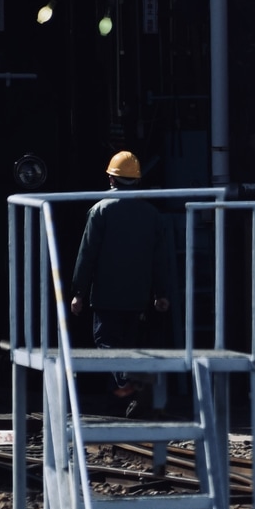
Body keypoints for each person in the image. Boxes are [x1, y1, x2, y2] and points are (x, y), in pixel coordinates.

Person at [69, 151, 175, 411]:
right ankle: (127, 395)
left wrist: (78, 292)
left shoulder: (100, 211)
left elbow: (87, 255)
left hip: (106, 296)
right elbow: (160, 259)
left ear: (111, 179)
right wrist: (161, 293)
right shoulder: (152, 215)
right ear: (137, 180)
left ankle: (131, 385)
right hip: (138, 297)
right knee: (128, 345)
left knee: (105, 341)